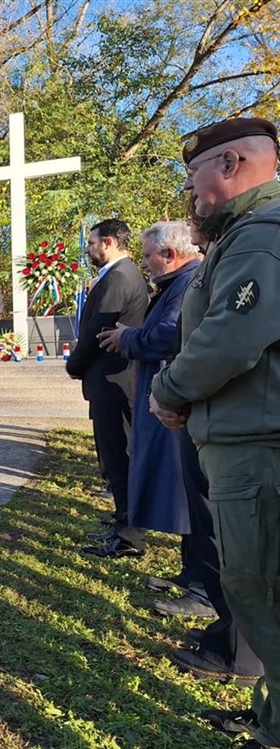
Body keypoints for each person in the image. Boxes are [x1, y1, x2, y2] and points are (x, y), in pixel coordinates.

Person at [149, 117, 280, 748]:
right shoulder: (246, 235)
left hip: (258, 449)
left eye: (194, 173)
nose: (190, 189)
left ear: (230, 165)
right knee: (257, 589)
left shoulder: (261, 235)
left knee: (258, 592)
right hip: (248, 439)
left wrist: (169, 389)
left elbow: (230, 337)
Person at [98, 221, 205, 593]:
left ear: (169, 254)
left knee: (192, 497)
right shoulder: (179, 283)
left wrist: (128, 337)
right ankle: (192, 574)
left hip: (177, 404)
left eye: (147, 256)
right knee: (187, 496)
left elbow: (170, 336)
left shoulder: (188, 284)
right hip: (167, 397)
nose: (143, 263)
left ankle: (202, 584)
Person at [67, 218, 149, 559]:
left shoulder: (119, 277)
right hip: (113, 380)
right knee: (115, 457)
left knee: (120, 458)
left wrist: (74, 364)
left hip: (115, 381)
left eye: (92, 243)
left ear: (109, 242)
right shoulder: (119, 274)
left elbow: (98, 331)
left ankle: (130, 537)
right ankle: (122, 524)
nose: (89, 249)